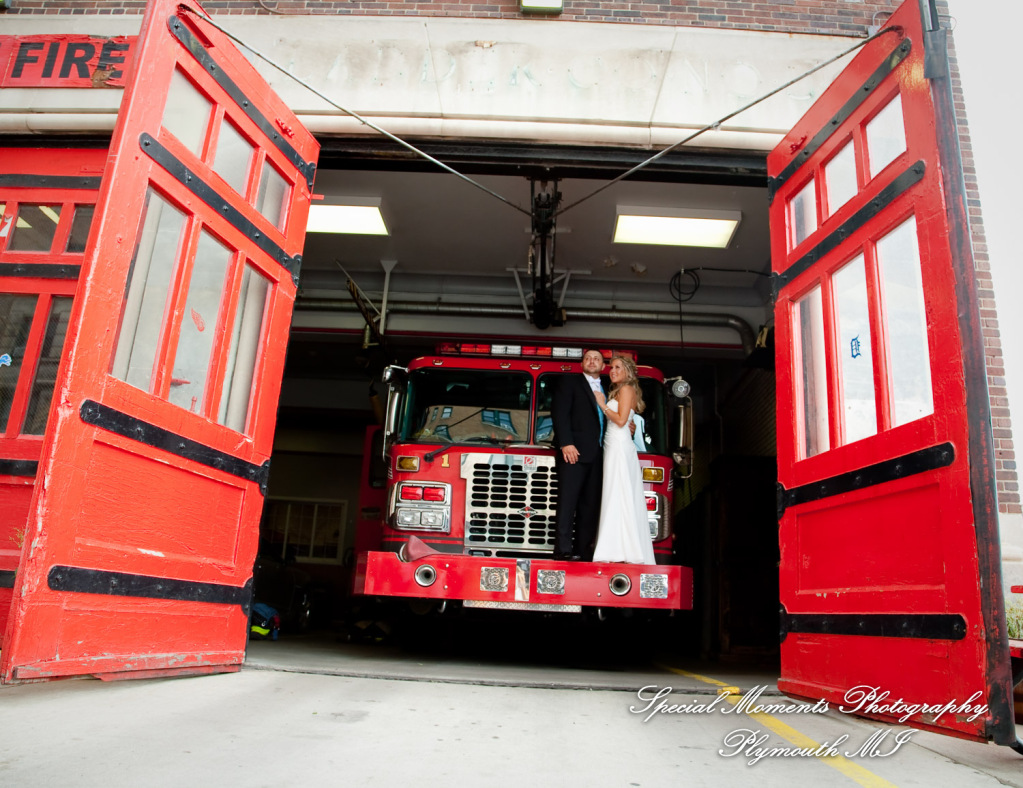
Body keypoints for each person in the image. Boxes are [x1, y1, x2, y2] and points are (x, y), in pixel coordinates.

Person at [592, 355, 656, 564]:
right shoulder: (619, 391)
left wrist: (602, 404)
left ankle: (621, 550)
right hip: (613, 445)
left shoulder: (627, 389)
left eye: (618, 367)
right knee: (614, 492)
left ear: (627, 371)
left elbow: (620, 420)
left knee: (618, 492)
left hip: (619, 446)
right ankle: (615, 547)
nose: (613, 371)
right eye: (612, 367)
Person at [550, 348, 606, 561]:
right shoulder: (570, 382)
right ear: (582, 364)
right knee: (567, 502)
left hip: (599, 455)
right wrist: (566, 443)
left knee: (590, 505)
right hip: (573, 453)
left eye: (596, 359)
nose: (592, 361)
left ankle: (583, 551)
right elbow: (560, 413)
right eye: (588, 358)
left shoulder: (609, 387)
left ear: (603, 366)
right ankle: (563, 550)